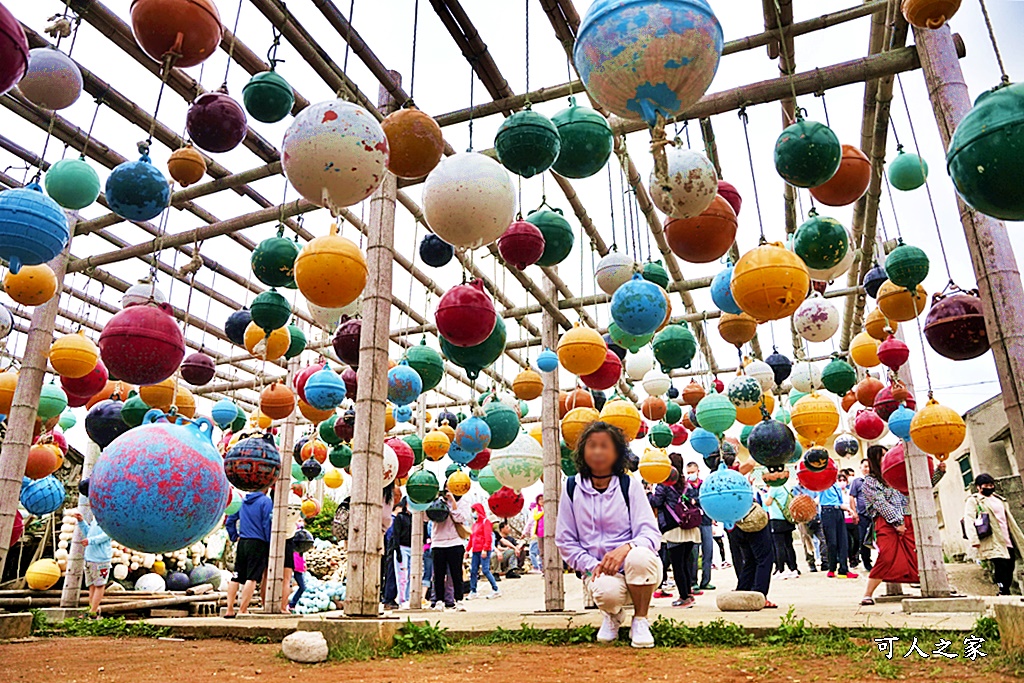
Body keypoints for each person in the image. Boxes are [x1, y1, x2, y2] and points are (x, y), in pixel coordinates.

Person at [556, 421, 663, 649]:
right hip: (599, 569)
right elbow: (565, 540)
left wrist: (626, 549)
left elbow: (650, 533)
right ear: (583, 451)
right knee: (606, 593)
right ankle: (613, 615)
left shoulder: (628, 485)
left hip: (637, 567)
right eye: (592, 445)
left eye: (605, 446)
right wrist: (593, 565)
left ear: (616, 453)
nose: (597, 451)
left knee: (640, 557)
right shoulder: (572, 487)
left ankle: (641, 620)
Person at [860, 445, 918, 605]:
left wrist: (940, 471)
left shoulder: (896, 475)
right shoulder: (869, 482)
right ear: (874, 460)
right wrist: (896, 522)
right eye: (882, 456)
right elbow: (880, 503)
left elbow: (919, 485)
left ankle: (931, 583)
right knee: (886, 556)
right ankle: (868, 593)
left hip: (907, 519)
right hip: (885, 522)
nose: (886, 458)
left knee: (914, 554)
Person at [649, 454, 701, 608]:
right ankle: (688, 594)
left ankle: (684, 597)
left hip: (673, 529)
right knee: (685, 563)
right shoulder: (687, 484)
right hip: (690, 527)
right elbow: (695, 500)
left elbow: (656, 502)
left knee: (678, 565)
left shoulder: (663, 484)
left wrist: (648, 494)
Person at [964, 473, 1024, 595]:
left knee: (1010, 566)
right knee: (1000, 565)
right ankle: (1003, 590)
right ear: (978, 487)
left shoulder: (1000, 500)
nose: (989, 487)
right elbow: (969, 520)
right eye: (986, 485)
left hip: (1007, 538)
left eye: (991, 485)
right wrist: (974, 540)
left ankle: (1008, 591)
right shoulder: (974, 501)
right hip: (992, 538)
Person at [224, 488, 273, 617]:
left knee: (236, 576)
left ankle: (229, 609)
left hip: (243, 542)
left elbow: (229, 521)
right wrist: (270, 543)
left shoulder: (242, 501)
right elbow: (266, 524)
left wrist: (234, 536)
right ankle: (242, 609)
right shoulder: (265, 502)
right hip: (258, 542)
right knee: (252, 578)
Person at [732, 486, 777, 608]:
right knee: (764, 559)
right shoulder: (736, 475)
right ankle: (759, 595)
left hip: (735, 524)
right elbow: (749, 465)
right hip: (752, 520)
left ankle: (742, 591)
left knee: (750, 560)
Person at [430, 488, 471, 611]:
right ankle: (439, 601)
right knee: (438, 575)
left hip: (455, 542)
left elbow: (460, 518)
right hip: (438, 542)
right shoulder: (438, 501)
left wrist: (452, 501)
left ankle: (458, 600)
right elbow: (429, 517)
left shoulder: (463, 503)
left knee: (456, 574)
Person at [817, 475, 859, 579]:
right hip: (827, 511)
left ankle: (843, 569)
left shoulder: (836, 486)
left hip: (838, 512)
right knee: (832, 542)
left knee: (843, 541)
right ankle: (832, 568)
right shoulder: (822, 484)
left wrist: (850, 510)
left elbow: (839, 503)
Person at [685, 462, 715, 591]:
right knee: (694, 553)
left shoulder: (704, 485)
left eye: (693, 472)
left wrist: (695, 501)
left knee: (708, 552)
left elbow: (707, 499)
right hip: (693, 523)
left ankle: (706, 580)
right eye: (689, 472)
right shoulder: (685, 487)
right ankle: (693, 581)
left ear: (698, 471)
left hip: (706, 521)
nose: (691, 475)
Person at [74, 512, 112, 616]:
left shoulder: (110, 522)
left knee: (99, 585)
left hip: (101, 560)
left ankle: (93, 611)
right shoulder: (96, 520)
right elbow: (88, 533)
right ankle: (93, 609)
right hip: (89, 558)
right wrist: (81, 521)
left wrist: (91, 541)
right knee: (92, 586)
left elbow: (106, 536)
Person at [763, 485, 799, 579]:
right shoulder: (785, 487)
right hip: (787, 519)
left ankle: (781, 570)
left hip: (776, 519)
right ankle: (793, 569)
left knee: (779, 545)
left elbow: (768, 503)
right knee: (788, 545)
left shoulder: (774, 488)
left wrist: (764, 494)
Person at [467, 503, 501, 599]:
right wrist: (467, 550)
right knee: (473, 570)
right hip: (475, 550)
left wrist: (485, 549)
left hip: (483, 550)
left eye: (475, 510)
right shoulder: (474, 525)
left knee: (485, 570)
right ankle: (473, 590)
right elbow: (471, 538)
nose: (473, 513)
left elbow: (488, 537)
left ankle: (496, 589)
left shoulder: (486, 522)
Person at [848, 459, 874, 571]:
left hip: (876, 515)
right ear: (861, 467)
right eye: (865, 466)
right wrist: (855, 513)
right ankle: (866, 562)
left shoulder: (875, 481)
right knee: (863, 539)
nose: (867, 469)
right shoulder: (857, 482)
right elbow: (852, 497)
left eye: (869, 466)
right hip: (862, 516)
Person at [391, 498, 413, 608]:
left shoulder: (414, 519)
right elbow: (396, 535)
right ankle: (402, 599)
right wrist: (397, 550)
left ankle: (409, 598)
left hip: (413, 548)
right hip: (402, 548)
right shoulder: (400, 517)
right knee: (402, 576)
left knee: (411, 576)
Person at [287, 539, 307, 612]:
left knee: (302, 587)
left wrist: (304, 564)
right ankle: (288, 605)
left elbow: (302, 556)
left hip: (299, 568)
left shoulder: (300, 547)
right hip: (292, 566)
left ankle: (292, 604)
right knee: (287, 586)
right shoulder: (292, 542)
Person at [529, 495, 545, 573]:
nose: (541, 500)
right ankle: (543, 568)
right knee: (541, 552)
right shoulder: (536, 509)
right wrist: (543, 512)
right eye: (539, 499)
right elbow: (535, 517)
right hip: (539, 533)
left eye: (543, 499)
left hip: (549, 533)